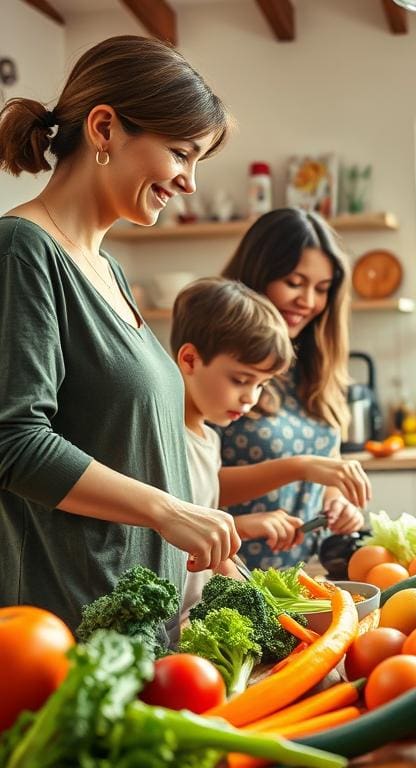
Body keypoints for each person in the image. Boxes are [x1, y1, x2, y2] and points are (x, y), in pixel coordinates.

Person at [0, 35, 238, 639]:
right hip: (66, 626)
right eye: (181, 153)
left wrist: (204, 538)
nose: (188, 183)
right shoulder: (22, 251)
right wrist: (168, 511)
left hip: (139, 619)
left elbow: (136, 446)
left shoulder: (110, 270)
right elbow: (14, 442)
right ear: (104, 128)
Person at [170, 277, 371, 615]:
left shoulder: (209, 438)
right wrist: (242, 527)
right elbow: (170, 533)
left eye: (261, 384)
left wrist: (244, 530)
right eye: (240, 380)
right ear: (189, 360)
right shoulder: (166, 437)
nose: (251, 398)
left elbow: (203, 510)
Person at [219, 208, 366, 569]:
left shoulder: (313, 365)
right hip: (232, 577)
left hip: (303, 576)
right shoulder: (220, 363)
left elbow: (323, 468)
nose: (309, 301)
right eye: (295, 282)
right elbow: (189, 483)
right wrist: (300, 467)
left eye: (321, 289)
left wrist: (336, 501)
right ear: (258, 274)